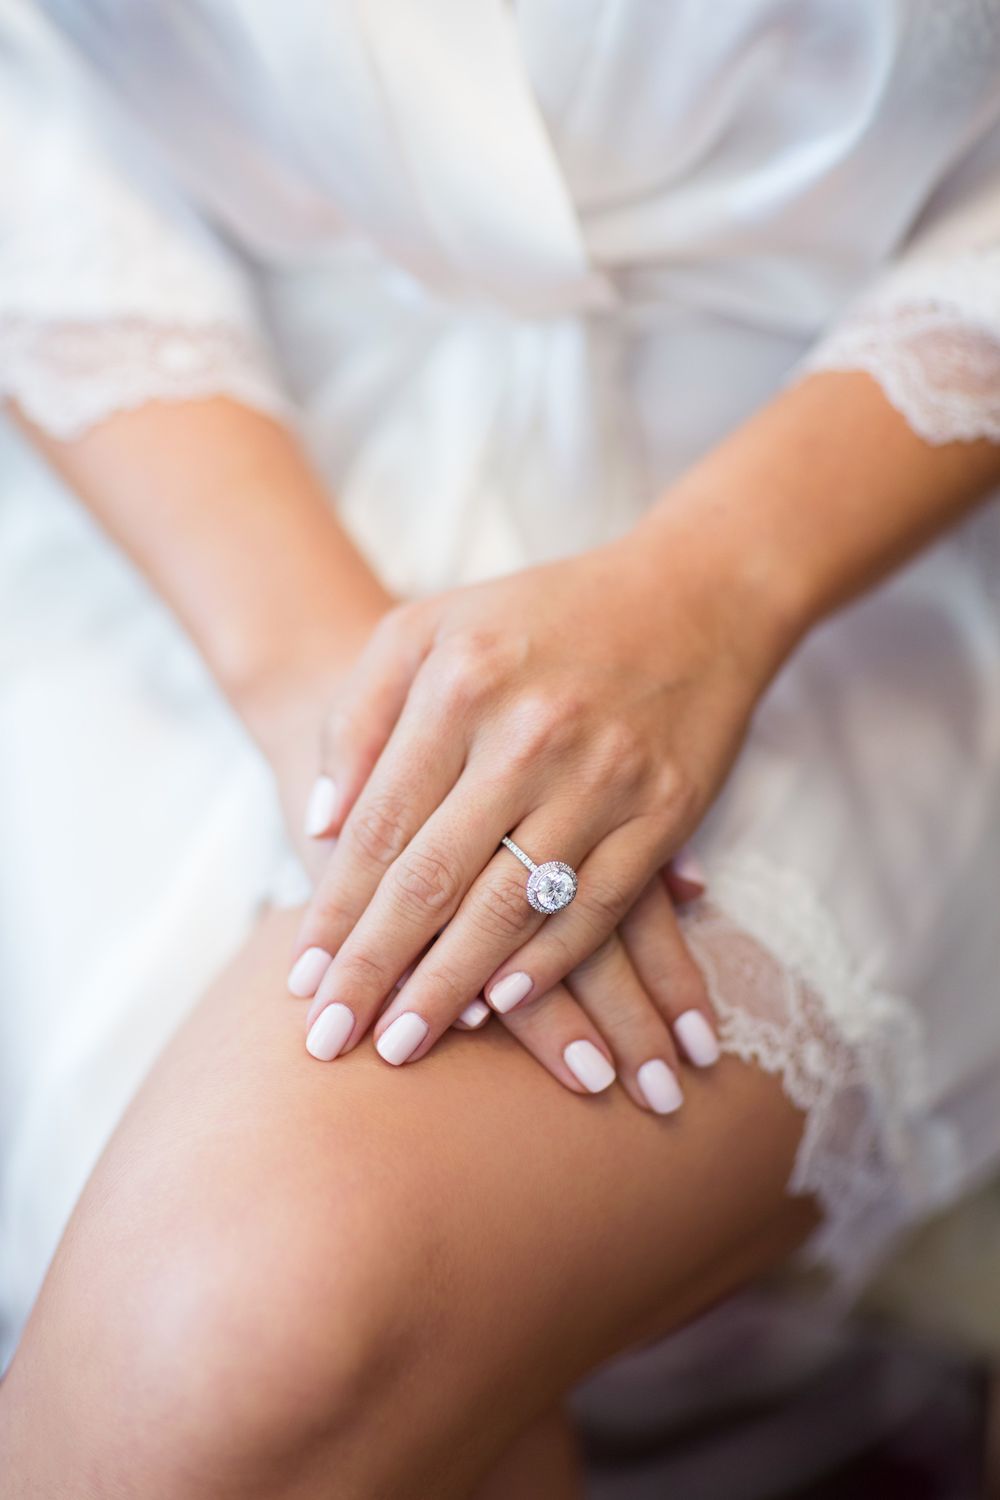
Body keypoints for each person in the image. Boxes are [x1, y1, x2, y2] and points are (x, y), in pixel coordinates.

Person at [1, 3, 999, 1494]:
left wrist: (717, 592)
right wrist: (328, 694)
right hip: (179, 476)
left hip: (852, 528)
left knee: (256, 1333)